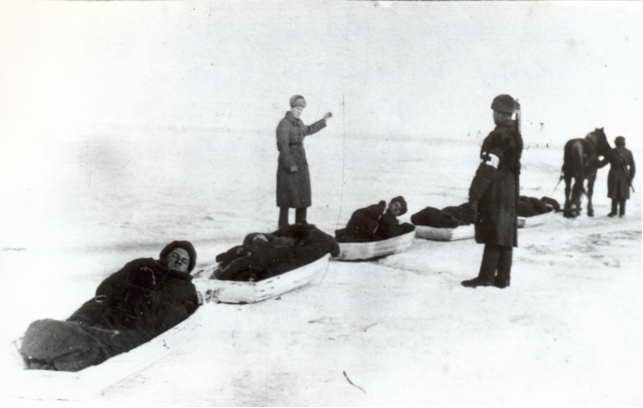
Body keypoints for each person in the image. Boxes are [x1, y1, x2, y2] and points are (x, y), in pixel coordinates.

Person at [19, 241, 199, 371]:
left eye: (184, 261)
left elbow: (174, 319)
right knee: (48, 327)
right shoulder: (143, 265)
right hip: (107, 309)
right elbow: (107, 286)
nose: (178, 261)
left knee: (88, 343)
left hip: (133, 328)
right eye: (175, 256)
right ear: (165, 256)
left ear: (188, 268)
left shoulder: (186, 290)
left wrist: (146, 301)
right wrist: (118, 297)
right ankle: (49, 352)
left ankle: (48, 358)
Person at [461, 94, 523, 289]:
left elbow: (488, 167)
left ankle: (486, 276)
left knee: (493, 231)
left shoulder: (499, 136)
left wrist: (475, 194)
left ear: (500, 113)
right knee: (505, 231)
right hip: (510, 187)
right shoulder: (515, 134)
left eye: (494, 112)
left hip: (496, 187)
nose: (493, 115)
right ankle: (503, 277)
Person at [276, 95, 332, 227]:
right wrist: (290, 164)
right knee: (286, 198)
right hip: (288, 165)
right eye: (297, 108)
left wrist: (323, 120)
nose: (299, 111)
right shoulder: (284, 124)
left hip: (301, 163)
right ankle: (283, 225)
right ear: (291, 107)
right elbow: (283, 146)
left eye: (301, 109)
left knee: (302, 195)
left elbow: (308, 130)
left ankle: (300, 223)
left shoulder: (299, 123)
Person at [213, 224, 339, 281]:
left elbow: (291, 259)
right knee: (250, 257)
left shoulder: (311, 236)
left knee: (248, 257)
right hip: (279, 251)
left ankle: (225, 268)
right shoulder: (312, 236)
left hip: (279, 251)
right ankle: (226, 268)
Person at [598, 136, 636, 217]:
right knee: (621, 194)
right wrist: (630, 177)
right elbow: (633, 167)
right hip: (624, 175)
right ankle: (621, 212)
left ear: (615, 143)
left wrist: (594, 162)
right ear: (624, 143)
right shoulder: (628, 152)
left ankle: (614, 212)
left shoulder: (612, 152)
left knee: (614, 194)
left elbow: (602, 164)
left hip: (614, 175)